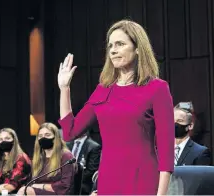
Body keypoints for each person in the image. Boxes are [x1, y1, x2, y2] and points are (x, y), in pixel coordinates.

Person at [58, 19, 174, 195]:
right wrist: (64, 88)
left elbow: (166, 150)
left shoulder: (157, 88)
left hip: (143, 180)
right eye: (110, 45)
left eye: (120, 44)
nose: (113, 50)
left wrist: (161, 194)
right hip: (108, 180)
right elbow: (70, 132)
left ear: (137, 49)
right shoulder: (103, 89)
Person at [17, 123, 76, 195]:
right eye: (40, 136)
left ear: (55, 138)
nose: (43, 138)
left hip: (59, 194)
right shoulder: (39, 158)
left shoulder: (66, 156)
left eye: (47, 135)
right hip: (38, 192)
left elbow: (65, 186)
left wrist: (41, 186)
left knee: (27, 191)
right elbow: (32, 182)